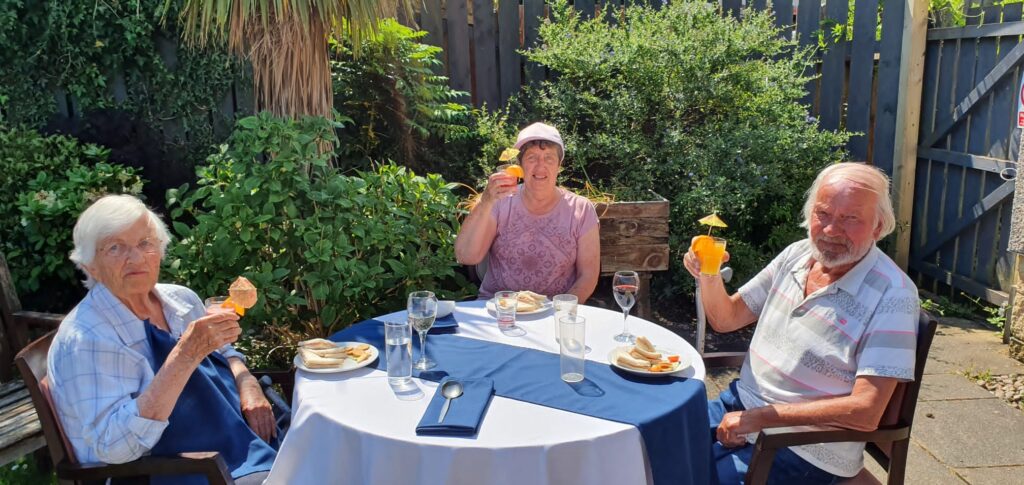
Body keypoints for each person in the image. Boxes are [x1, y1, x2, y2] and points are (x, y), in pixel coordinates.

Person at [683, 163, 919, 484]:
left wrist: (762, 419)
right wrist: (707, 273)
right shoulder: (797, 254)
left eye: (850, 219)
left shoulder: (894, 294)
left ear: (878, 227)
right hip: (740, 406)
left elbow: (866, 411)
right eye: (823, 214)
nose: (832, 230)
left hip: (803, 446)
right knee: (653, 447)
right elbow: (726, 319)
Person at [47, 195, 279, 485]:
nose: (136, 258)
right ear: (90, 265)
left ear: (160, 249)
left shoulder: (180, 300)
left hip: (238, 439)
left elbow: (226, 353)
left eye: (145, 243)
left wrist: (248, 384)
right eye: (116, 247)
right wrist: (185, 355)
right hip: (167, 473)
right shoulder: (87, 339)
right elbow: (114, 446)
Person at [455, 122, 600, 302]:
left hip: (552, 313)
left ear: (559, 165)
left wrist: (561, 310)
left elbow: (588, 275)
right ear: (520, 164)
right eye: (532, 158)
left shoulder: (581, 209)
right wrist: (485, 201)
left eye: (549, 158)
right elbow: (466, 255)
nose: (540, 167)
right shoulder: (500, 201)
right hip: (499, 310)